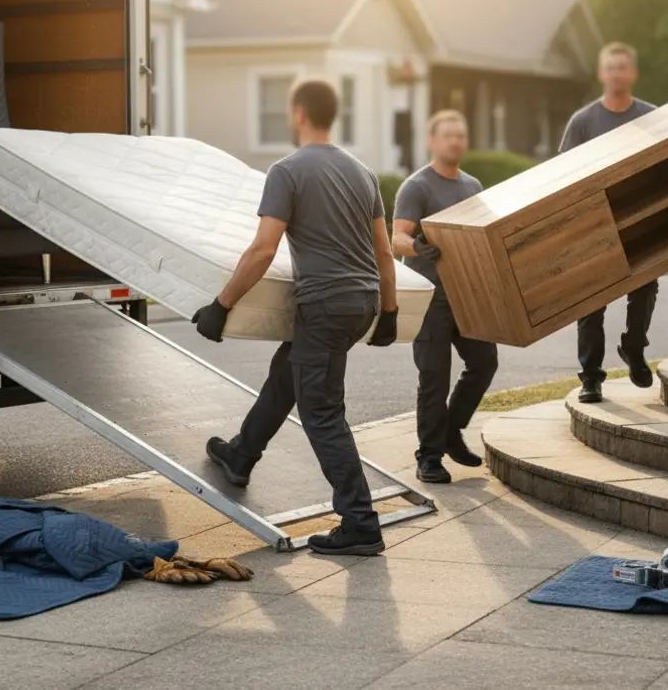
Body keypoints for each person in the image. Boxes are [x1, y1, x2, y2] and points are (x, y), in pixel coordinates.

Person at [191, 78, 399, 557]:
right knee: (289, 373)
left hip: (324, 304)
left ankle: (360, 521)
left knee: (321, 411)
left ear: (298, 113)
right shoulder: (362, 172)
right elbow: (383, 252)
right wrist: (387, 313)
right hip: (360, 301)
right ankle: (241, 455)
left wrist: (221, 306)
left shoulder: (287, 171)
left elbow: (264, 248)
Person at [391, 110, 499, 484]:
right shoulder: (417, 187)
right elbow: (396, 238)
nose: (455, 141)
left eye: (460, 135)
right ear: (432, 141)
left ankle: (451, 430)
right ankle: (429, 457)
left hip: (466, 297)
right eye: (448, 135)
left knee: (484, 362)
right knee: (435, 377)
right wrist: (417, 246)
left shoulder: (473, 187)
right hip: (430, 299)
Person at [559, 42, 658, 404]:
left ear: (632, 74)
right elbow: (563, 173)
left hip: (641, 217)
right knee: (591, 303)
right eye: (610, 68)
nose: (616, 73)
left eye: (622, 67)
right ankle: (591, 378)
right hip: (594, 222)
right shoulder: (583, 122)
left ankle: (633, 347)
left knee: (645, 286)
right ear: (602, 74)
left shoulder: (651, 116)